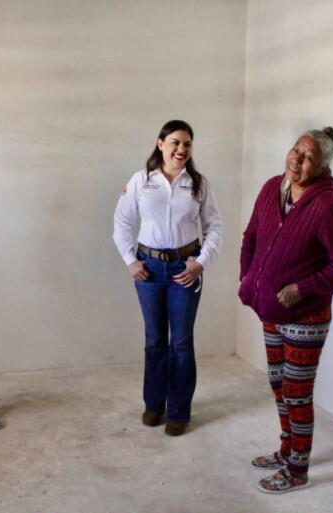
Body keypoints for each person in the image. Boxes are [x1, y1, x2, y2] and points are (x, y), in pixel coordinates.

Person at [239, 127, 333, 493]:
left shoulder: (328, 205)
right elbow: (251, 236)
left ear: (321, 167)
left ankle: (298, 469)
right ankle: (287, 449)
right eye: (296, 150)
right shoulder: (271, 188)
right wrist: (248, 278)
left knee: (296, 391)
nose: (297, 160)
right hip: (271, 313)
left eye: (309, 157)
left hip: (306, 318)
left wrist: (301, 289)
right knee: (278, 384)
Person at [113, 120, 223, 437]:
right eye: (175, 142)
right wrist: (131, 260)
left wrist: (201, 262)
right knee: (155, 340)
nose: (181, 149)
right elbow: (121, 222)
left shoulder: (198, 183)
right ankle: (154, 405)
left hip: (184, 270)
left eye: (187, 144)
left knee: (182, 343)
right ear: (160, 144)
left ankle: (178, 412)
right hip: (148, 269)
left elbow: (214, 227)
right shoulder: (141, 180)